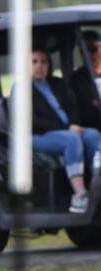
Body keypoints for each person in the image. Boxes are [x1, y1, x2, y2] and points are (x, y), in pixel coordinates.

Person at [31, 47, 101, 214]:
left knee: (92, 135)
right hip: (37, 135)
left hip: (66, 131)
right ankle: (79, 195)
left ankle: (97, 187)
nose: (39, 65)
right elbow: (33, 121)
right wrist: (67, 128)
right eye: (34, 62)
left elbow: (73, 107)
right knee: (71, 139)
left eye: (44, 61)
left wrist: (74, 124)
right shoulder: (22, 89)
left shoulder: (58, 84)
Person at [70, 30, 101, 130]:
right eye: (83, 50)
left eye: (93, 49)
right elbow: (86, 111)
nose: (88, 54)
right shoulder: (78, 79)